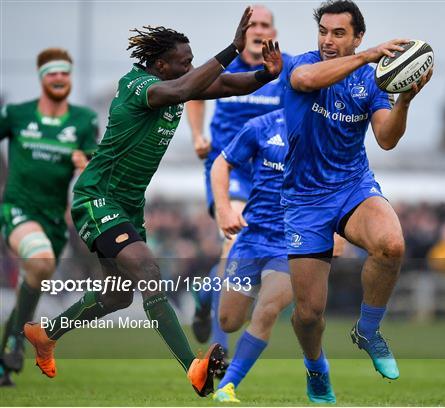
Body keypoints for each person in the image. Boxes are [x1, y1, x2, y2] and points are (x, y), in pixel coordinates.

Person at [23, 7, 283, 398]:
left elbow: (229, 86)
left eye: (192, 61)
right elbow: (183, 89)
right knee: (147, 267)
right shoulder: (140, 85)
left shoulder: (175, 83)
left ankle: (45, 335)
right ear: (161, 64)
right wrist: (232, 47)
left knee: (118, 294)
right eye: (184, 62)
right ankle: (193, 366)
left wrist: (266, 74)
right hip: (97, 197)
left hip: (127, 206)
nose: (191, 68)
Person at [282, 0, 432, 403]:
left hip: (351, 186)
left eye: (339, 33)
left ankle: (368, 330)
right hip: (303, 199)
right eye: (324, 32)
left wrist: (405, 100)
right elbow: (306, 80)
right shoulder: (301, 63)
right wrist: (367, 56)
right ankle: (316, 367)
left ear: (357, 35)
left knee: (392, 244)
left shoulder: (371, 81)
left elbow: (386, 138)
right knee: (309, 315)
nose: (328, 40)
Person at [186, 5, 290, 355]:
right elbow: (194, 93)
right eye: (253, 24)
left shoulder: (284, 69)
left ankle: (205, 293)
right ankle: (220, 349)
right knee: (234, 246)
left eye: (265, 24)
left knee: (246, 261)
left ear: (273, 33)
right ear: (243, 32)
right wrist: (198, 134)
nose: (259, 29)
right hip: (227, 169)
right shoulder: (225, 66)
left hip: (270, 178)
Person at [0, 48, 98, 386]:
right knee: (39, 262)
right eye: (53, 73)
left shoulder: (83, 120)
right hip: (18, 209)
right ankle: (15, 341)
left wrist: (83, 165)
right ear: (42, 77)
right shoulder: (16, 114)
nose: (59, 78)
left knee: (35, 276)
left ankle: (4, 362)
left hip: (55, 221)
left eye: (65, 73)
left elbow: (92, 167)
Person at [209, 109, 291, 402]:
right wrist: (224, 210)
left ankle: (227, 386)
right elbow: (221, 163)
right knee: (229, 321)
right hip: (253, 238)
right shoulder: (261, 126)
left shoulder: (325, 128)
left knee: (267, 310)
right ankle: (206, 292)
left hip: (293, 242)